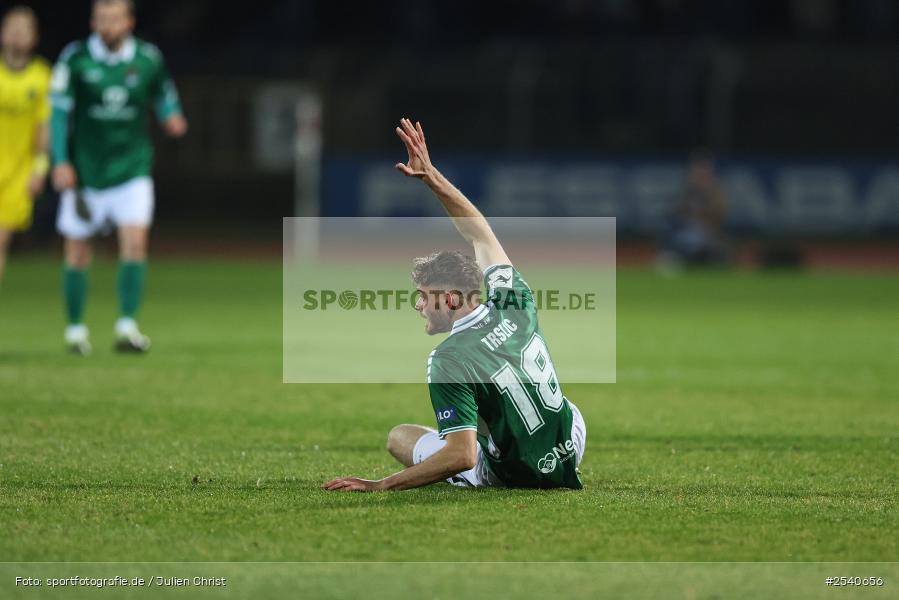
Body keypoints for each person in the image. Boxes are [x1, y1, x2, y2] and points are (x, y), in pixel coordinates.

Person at [323, 119, 586, 492]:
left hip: (516, 474)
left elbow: (461, 456)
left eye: (423, 296)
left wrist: (380, 484)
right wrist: (431, 177)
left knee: (400, 437)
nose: (417, 306)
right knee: (550, 406)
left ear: (448, 298)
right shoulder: (514, 299)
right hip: (570, 445)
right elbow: (480, 233)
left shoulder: (448, 358)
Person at [50, 0, 187, 354]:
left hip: (132, 169)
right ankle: (75, 331)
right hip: (86, 172)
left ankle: (127, 326)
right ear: (92, 22)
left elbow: (164, 94)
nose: (105, 25)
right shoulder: (76, 59)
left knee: (135, 244)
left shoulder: (147, 59)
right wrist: (61, 161)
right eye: (100, 19)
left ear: (129, 22)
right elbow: (59, 115)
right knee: (78, 252)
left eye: (113, 19)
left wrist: (171, 115)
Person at [0, 6, 50, 286]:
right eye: (12, 29)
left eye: (24, 30)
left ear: (34, 37)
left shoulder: (42, 77)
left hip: (17, 173)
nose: (18, 35)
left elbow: (45, 128)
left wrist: (39, 170)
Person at [659, 151, 730, 268]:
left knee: (706, 241)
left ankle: (705, 260)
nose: (701, 173)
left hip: (707, 233)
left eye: (704, 169)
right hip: (684, 231)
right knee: (676, 233)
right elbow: (674, 213)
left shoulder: (716, 191)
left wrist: (703, 216)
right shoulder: (685, 190)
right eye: (698, 169)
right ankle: (674, 258)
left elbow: (720, 215)